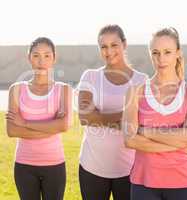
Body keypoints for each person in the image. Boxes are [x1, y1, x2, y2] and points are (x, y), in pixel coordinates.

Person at [122, 27, 187, 200]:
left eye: (167, 52)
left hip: (183, 182)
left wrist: (145, 131)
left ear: (178, 53)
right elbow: (130, 140)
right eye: (156, 53)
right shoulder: (135, 92)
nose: (161, 59)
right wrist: (177, 142)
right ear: (150, 54)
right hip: (144, 183)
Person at [77, 24, 147, 200]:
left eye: (114, 45)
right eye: (103, 46)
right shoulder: (90, 76)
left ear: (124, 44)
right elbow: (85, 117)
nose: (109, 51)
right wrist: (127, 116)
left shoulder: (142, 80)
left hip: (129, 168)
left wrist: (99, 116)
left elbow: (142, 122)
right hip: (92, 167)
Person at [6, 37, 72, 200]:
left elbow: (64, 126)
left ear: (54, 58)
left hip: (54, 164)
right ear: (29, 58)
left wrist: (25, 124)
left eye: (47, 55)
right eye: (36, 55)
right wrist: (51, 126)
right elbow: (12, 130)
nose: (41, 61)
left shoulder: (63, 90)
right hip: (24, 165)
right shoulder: (16, 89)